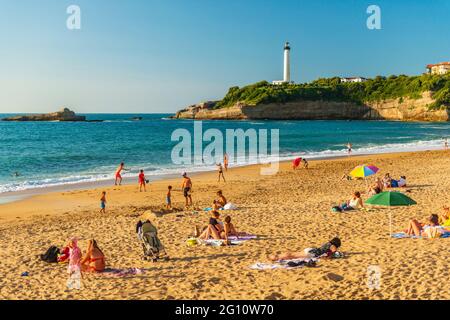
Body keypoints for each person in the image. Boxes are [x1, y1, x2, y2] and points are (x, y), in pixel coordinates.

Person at [268, 237, 342, 261]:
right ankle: (275, 257)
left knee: (293, 254)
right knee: (293, 256)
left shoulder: (328, 243)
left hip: (311, 250)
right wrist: (328, 257)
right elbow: (333, 252)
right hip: (312, 253)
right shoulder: (333, 246)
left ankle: (276, 256)